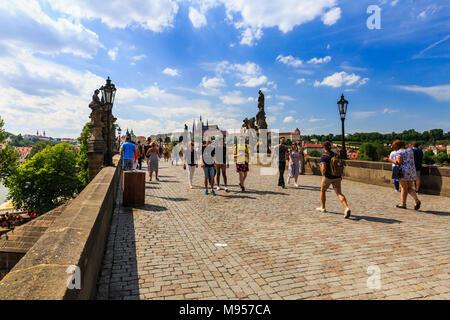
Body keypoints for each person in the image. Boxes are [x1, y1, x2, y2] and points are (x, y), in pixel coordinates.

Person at [316, 141, 351, 218]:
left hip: (328, 177)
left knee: (323, 190)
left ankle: (323, 207)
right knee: (339, 193)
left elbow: (323, 168)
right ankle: (346, 208)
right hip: (337, 177)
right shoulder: (336, 155)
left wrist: (323, 175)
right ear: (330, 147)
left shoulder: (324, 156)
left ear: (323, 147)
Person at [385, 140, 421, 210]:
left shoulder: (399, 152)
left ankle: (403, 204)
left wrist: (389, 159)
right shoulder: (410, 150)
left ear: (396, 146)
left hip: (403, 172)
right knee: (409, 187)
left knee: (403, 188)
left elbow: (398, 162)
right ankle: (417, 200)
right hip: (412, 171)